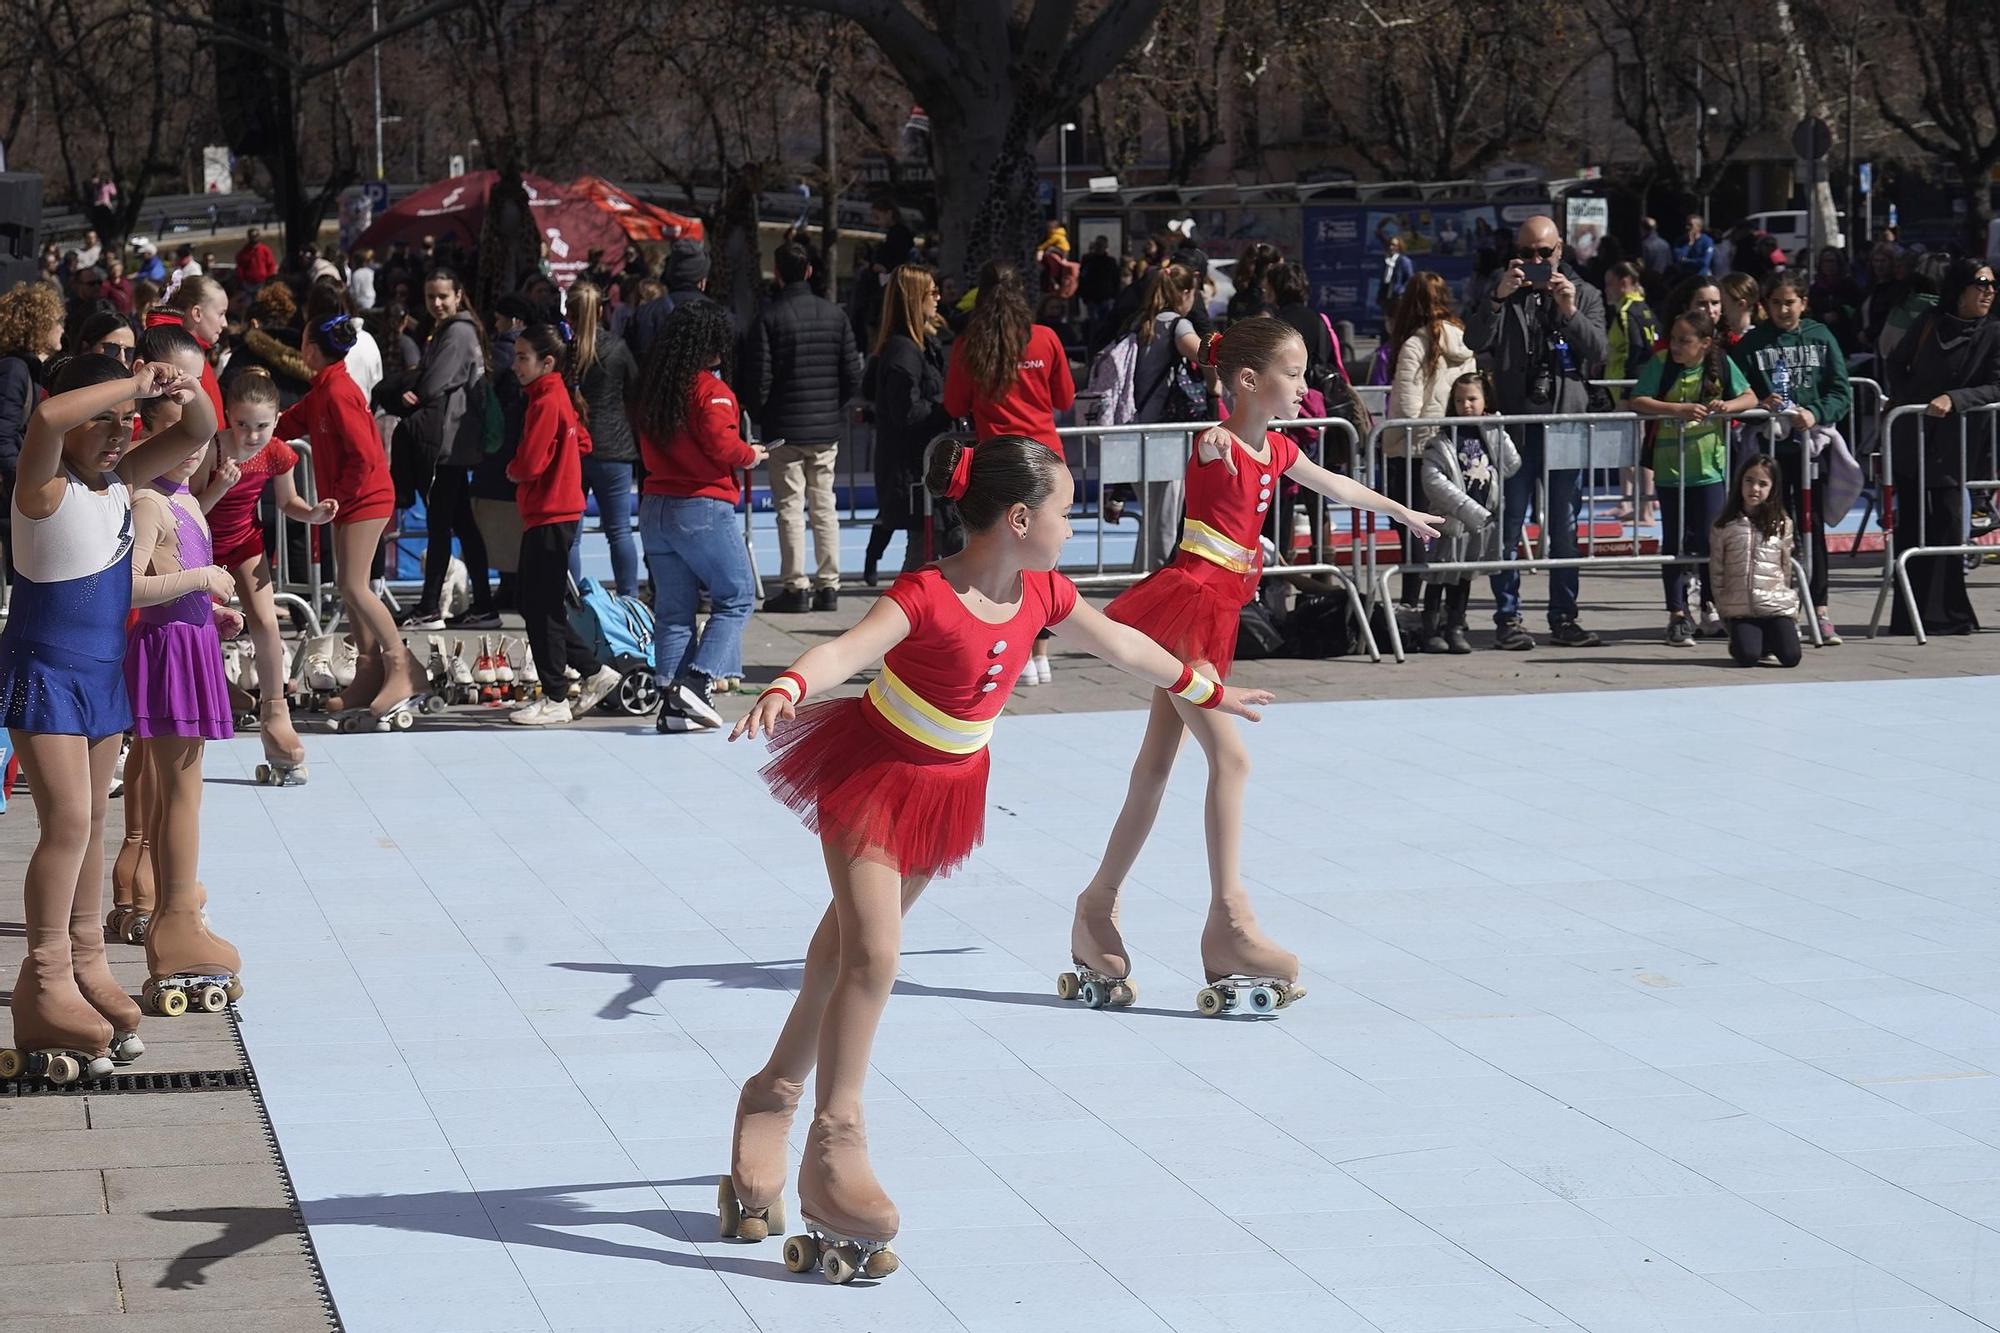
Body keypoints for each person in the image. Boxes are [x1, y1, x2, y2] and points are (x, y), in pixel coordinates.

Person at [719, 434, 1273, 1269]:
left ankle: (772, 1091)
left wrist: (1208, 687)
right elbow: (847, 650)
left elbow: (1125, 646)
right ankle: (836, 1141)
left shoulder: (1043, 592)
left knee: (841, 949)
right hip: (872, 773)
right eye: (1062, 508)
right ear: (1020, 518)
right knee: (873, 952)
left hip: (947, 789)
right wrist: (791, 682)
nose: (1071, 519)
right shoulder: (927, 593)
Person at [1070, 318, 1442, 1012]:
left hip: (1216, 620)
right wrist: (1212, 433)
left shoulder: (1272, 450)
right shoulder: (1217, 446)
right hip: (1187, 615)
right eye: (1295, 373)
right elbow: (1209, 447)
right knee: (1231, 759)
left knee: (1155, 768)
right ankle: (1228, 922)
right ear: (1248, 381)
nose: (1306, 385)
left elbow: (1335, 482)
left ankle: (1097, 906)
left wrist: (1401, 509)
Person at [0, 351, 214, 1083]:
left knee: (92, 822)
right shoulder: (41, 484)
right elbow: (46, 417)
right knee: (64, 822)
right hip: (47, 673)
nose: (120, 432)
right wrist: (132, 384)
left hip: (101, 678)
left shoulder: (122, 482)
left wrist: (181, 388)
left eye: (126, 423)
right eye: (106, 421)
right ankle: (44, 978)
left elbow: (199, 429)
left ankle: (87, 961)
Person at [123, 365, 245, 1018]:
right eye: (179, 436)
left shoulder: (189, 500)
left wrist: (212, 609)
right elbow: (130, 587)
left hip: (191, 645)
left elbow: (186, 579)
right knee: (179, 795)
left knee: (187, 794)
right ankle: (172, 920)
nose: (195, 449)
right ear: (152, 437)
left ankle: (175, 902)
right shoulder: (147, 500)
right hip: (165, 652)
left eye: (199, 438)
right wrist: (198, 581)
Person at [1463, 215, 1608, 649]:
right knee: (1508, 528)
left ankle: (1565, 617)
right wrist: (1496, 298)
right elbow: (1473, 340)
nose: (1536, 262)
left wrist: (1569, 311)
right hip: (1515, 428)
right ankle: (1508, 618)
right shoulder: (1503, 291)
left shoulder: (1585, 293)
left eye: (1544, 253)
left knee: (1564, 528)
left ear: (1560, 250)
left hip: (1565, 426)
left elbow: (1599, 351)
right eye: (1527, 253)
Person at [276, 314, 422, 723]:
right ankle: (369, 669)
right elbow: (294, 420)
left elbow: (364, 455)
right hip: (350, 498)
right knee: (348, 587)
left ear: (309, 348)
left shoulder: (339, 391)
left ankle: (401, 667)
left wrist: (338, 496)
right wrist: (253, 430)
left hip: (365, 497)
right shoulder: (325, 386)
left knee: (354, 586)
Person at [633, 301, 766, 733]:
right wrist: (752, 455)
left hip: (656, 506)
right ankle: (700, 679)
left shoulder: (656, 389)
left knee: (673, 609)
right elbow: (723, 445)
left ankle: (672, 701)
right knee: (737, 594)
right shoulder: (712, 390)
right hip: (702, 504)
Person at [943, 260, 1078, 682]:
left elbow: (952, 405)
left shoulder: (970, 345)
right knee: (1044, 561)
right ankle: (1040, 655)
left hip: (997, 464)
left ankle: (1002, 652)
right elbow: (1065, 397)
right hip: (1046, 461)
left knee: (992, 560)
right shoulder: (1045, 339)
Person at [201, 368, 333, 784]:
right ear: (228, 417)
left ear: (276, 421)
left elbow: (288, 501)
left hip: (244, 542)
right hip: (200, 542)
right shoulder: (212, 449)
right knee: (201, 625)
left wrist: (311, 514)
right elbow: (188, 511)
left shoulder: (276, 452)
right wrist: (219, 486)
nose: (252, 435)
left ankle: (276, 712)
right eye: (242, 424)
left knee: (265, 623)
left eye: (261, 425)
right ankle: (217, 691)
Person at [500, 325, 623, 726]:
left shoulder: (546, 400)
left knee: (540, 605)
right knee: (538, 603)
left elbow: (532, 463)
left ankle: (555, 694)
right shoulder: (556, 396)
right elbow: (582, 442)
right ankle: (591, 670)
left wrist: (514, 469)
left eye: (522, 357)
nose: (515, 364)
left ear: (546, 362)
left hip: (551, 511)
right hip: (554, 510)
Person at [1731, 270, 1853, 644]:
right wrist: (1758, 405)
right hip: (1767, 456)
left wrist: (1816, 412)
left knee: (1810, 526)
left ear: (1804, 303)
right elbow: (1737, 389)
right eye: (1776, 303)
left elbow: (1841, 390)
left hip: (1809, 453)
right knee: (1770, 532)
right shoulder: (1753, 344)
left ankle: (1820, 607)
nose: (1784, 310)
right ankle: (1778, 609)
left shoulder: (1820, 336)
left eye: (1790, 302)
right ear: (1764, 305)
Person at [1885, 256, 2000, 636]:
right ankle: (1910, 617)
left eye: (1992, 284)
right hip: (1913, 440)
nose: (1988, 290)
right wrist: (1910, 403)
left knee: (1950, 525)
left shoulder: (1993, 333)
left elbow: (1997, 385)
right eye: (1980, 283)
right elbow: (1896, 364)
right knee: (1912, 528)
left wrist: (1955, 398)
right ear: (1960, 288)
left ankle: (1948, 614)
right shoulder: (1930, 322)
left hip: (1957, 446)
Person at [746, 243, 863, 614]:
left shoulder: (770, 317)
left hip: (785, 428)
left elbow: (759, 380)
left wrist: (766, 414)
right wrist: (832, 407)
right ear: (809, 271)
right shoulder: (834, 315)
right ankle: (830, 583)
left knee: (790, 509)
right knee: (825, 506)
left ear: (778, 274)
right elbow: (851, 374)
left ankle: (795, 585)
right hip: (824, 427)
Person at [1630, 310, 1758, 646]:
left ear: (1704, 344)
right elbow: (1638, 400)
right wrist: (1676, 409)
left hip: (1709, 471)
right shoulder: (1661, 364)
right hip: (1670, 471)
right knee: (1673, 543)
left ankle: (1712, 607)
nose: (1675, 346)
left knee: (1711, 542)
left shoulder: (1721, 364)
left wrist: (1727, 407)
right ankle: (1676, 613)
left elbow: (1750, 397)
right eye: (1673, 338)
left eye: (1684, 341)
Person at [401, 268, 497, 630]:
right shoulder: (454, 329)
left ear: (458, 295)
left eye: (443, 296)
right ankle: (483, 604)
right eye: (431, 297)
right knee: (460, 523)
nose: (437, 303)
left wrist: (409, 388)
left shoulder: (456, 331)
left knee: (441, 523)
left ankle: (429, 606)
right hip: (455, 438)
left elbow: (432, 383)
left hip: (450, 438)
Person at [1387, 271, 1476, 609]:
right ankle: (1443, 608)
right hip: (1451, 447)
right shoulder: (1463, 337)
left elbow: (1408, 407)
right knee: (1445, 529)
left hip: (1412, 448)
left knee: (1410, 525)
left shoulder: (1415, 343)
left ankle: (1412, 600)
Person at [1419, 372, 1521, 653]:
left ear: (1485, 399)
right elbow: (1433, 480)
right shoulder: (1442, 439)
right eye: (1460, 399)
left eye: (1473, 399)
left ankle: (1454, 626)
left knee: (1464, 577)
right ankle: (1429, 629)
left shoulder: (1490, 431)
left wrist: (1498, 428)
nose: (1466, 405)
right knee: (1439, 576)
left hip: (1478, 523)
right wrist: (1466, 508)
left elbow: (1512, 465)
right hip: (1451, 519)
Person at [1122, 262, 1211, 575]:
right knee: (1164, 518)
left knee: (1153, 513)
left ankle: (1140, 577)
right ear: (1185, 293)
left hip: (1133, 429)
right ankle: (1151, 582)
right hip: (1164, 432)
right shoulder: (1177, 324)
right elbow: (1204, 354)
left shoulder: (1139, 322)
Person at [863, 264, 949, 586]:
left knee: (930, 551)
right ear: (916, 298)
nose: (938, 298)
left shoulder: (920, 345)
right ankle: (904, 622)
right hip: (913, 469)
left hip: (921, 465)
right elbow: (907, 412)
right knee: (926, 551)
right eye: (932, 292)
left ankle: (911, 622)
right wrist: (946, 406)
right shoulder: (904, 350)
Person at [563, 282, 642, 599]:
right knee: (619, 531)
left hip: (577, 446)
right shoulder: (617, 348)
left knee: (573, 534)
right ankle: (629, 598)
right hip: (615, 446)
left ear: (569, 313)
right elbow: (634, 389)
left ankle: (572, 601)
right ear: (599, 311)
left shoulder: (565, 352)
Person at [1710, 454, 1803, 667]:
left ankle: (1772, 637)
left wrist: (1786, 602)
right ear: (1740, 482)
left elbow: (1785, 568)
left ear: (1772, 489)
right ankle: (1744, 640)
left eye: (1763, 484)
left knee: (1791, 658)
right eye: (1749, 481)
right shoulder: (1724, 525)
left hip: (1773, 605)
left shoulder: (1782, 524)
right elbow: (1717, 571)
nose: (1755, 489)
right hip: (1741, 609)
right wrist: (1724, 608)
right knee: (1747, 657)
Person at [0, 283, 67, 550]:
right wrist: (26, 486)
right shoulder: (15, 369)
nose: (62, 327)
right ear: (38, 324)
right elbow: (3, 436)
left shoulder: (27, 369)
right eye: (57, 321)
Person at [1077, 234, 1121, 333]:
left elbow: (1116, 279)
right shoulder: (1088, 260)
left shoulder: (1110, 261)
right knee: (1094, 324)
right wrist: (1084, 295)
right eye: (1098, 245)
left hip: (1106, 296)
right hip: (1092, 296)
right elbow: (1082, 277)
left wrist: (1115, 295)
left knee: (1106, 323)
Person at [1376, 234, 1413, 331]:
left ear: (1399, 247)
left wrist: (1400, 291)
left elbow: (1409, 279)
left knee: (1398, 321)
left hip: (1398, 297)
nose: (1391, 247)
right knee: (1387, 321)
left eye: (1394, 245)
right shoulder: (1386, 261)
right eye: (1389, 245)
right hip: (1387, 295)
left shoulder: (1404, 261)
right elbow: (1384, 279)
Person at [1673, 215, 1714, 279]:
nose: (1687, 227)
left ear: (1699, 227)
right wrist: (1689, 244)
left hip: (1701, 278)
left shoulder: (1707, 241)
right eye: (1686, 224)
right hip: (1684, 278)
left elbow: (1704, 262)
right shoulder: (1680, 241)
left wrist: (1686, 261)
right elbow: (1678, 259)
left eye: (1690, 225)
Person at [1639, 216, 1673, 284]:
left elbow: (1643, 266)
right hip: (1664, 281)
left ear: (1643, 229)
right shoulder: (1665, 243)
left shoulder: (1644, 245)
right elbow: (1670, 264)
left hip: (1649, 281)